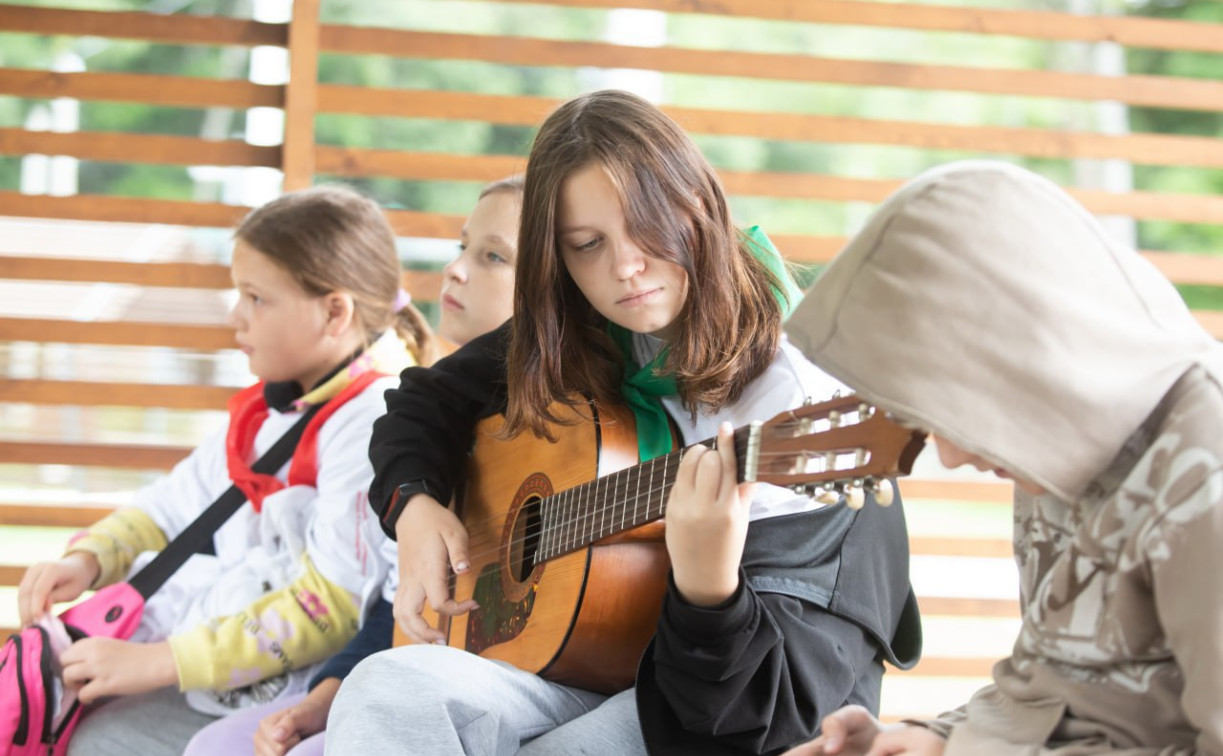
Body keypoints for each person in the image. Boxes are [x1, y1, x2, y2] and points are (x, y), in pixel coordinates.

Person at [325, 89, 921, 756]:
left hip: (722, 699)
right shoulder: (593, 325)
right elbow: (423, 401)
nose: (624, 268)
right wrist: (413, 508)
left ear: (697, 207)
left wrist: (706, 587)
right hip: (588, 657)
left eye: (648, 227)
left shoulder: (798, 399)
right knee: (385, 689)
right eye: (586, 245)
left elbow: (762, 717)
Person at [780, 160, 1223, 755]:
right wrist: (926, 739)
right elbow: (1056, 689)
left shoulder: (1203, 475)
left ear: (1027, 354)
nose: (952, 455)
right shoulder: (1057, 447)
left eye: (957, 410)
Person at [15, 184, 435, 756]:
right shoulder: (274, 410)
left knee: (100, 739)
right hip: (220, 673)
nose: (236, 316)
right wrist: (90, 558)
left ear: (335, 311)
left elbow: (330, 604)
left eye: (256, 298)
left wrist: (161, 662)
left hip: (287, 697)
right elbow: (173, 504)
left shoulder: (370, 423)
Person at [180, 174, 525, 756]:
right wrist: (329, 692)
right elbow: (395, 602)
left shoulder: (566, 428)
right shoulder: (424, 424)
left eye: (492, 256)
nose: (456, 269)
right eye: (460, 247)